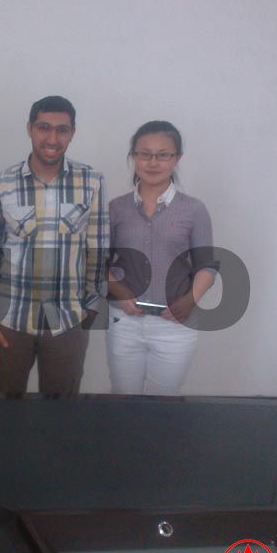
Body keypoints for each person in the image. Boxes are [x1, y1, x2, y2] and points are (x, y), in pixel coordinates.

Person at [0, 96, 107, 395]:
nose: (52, 138)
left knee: (61, 414)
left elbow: (98, 250)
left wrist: (89, 306)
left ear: (72, 133)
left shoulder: (92, 182)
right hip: (9, 321)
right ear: (30, 129)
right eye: (44, 127)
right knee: (3, 409)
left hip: (67, 322)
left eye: (62, 130)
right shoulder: (1, 184)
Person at [106, 120, 218, 395]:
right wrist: (118, 290)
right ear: (134, 157)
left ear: (177, 158)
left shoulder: (194, 210)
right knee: (123, 399)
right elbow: (97, 263)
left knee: (164, 404)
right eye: (144, 154)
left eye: (163, 155)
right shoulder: (116, 208)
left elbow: (206, 266)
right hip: (124, 323)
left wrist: (190, 300)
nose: (153, 162)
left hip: (175, 326)